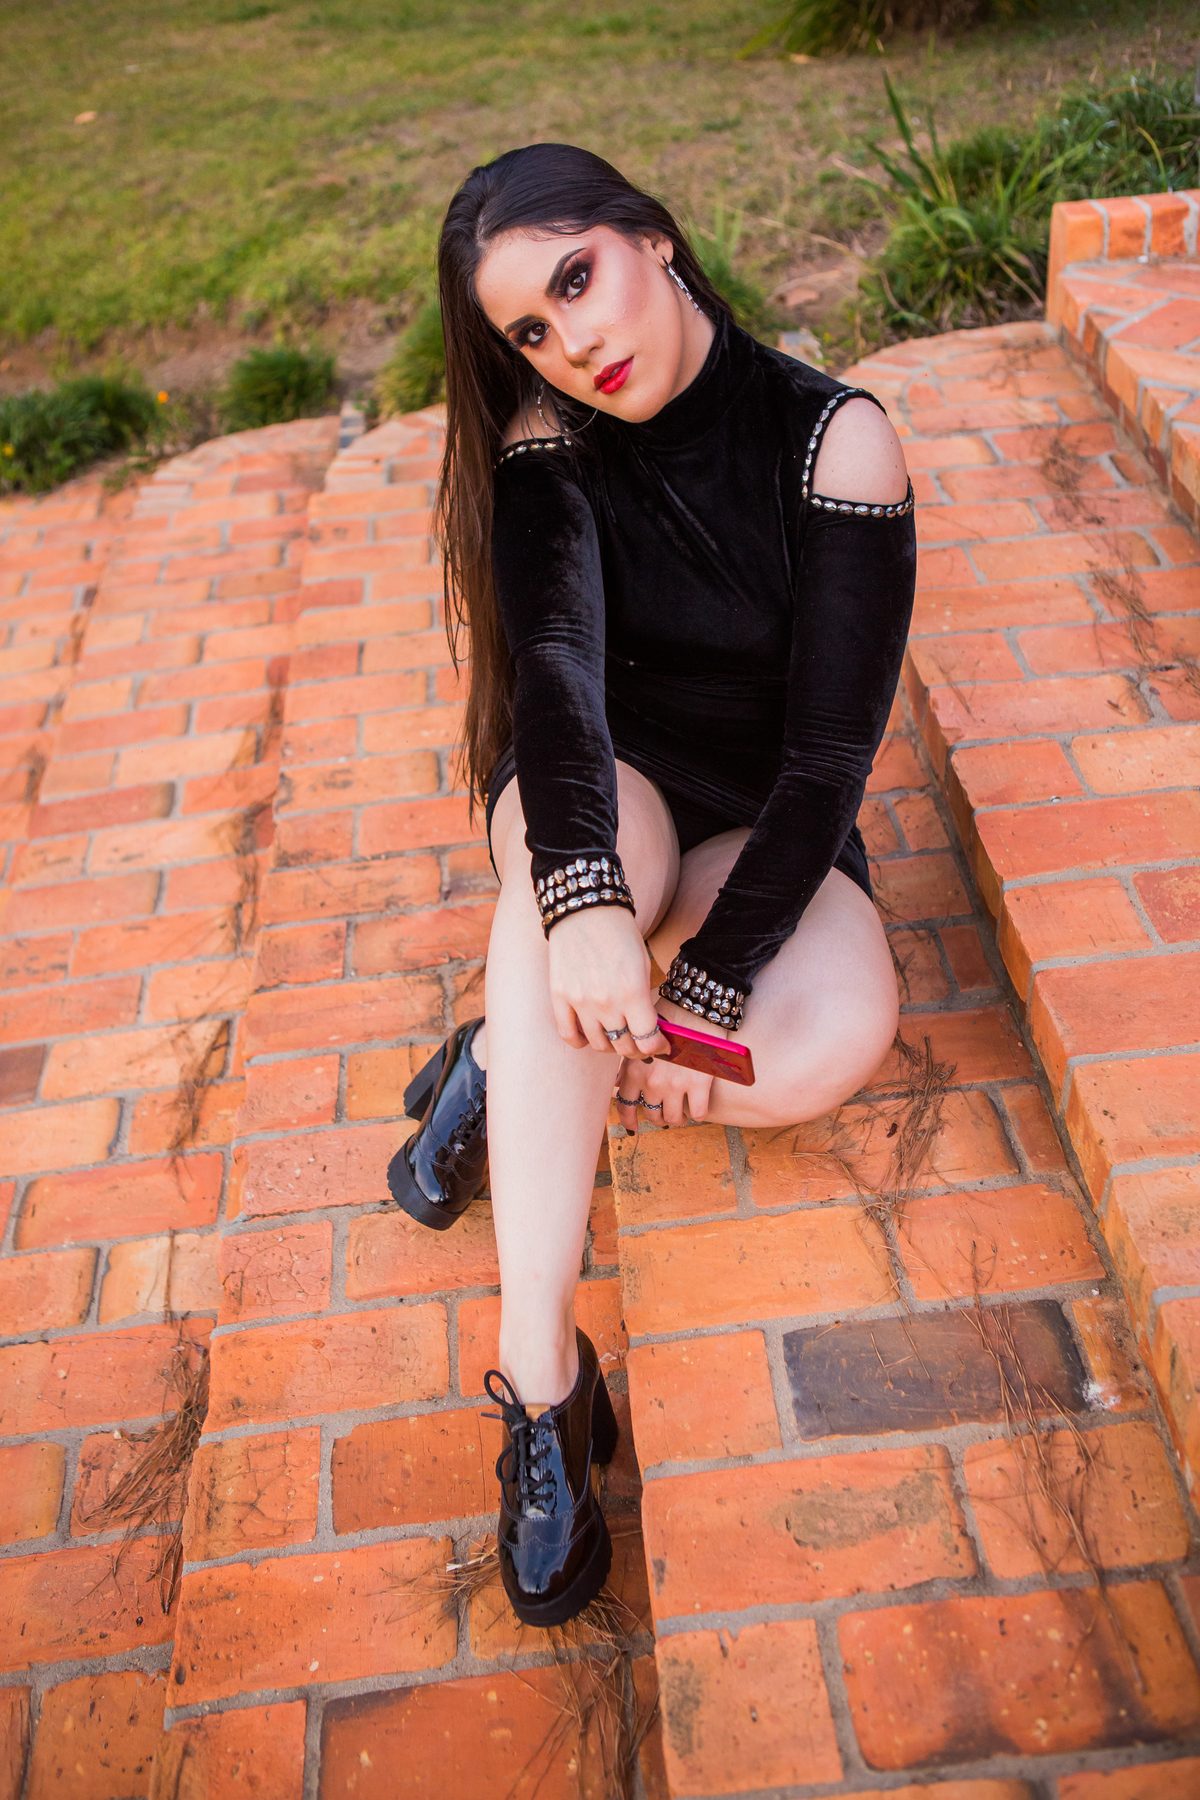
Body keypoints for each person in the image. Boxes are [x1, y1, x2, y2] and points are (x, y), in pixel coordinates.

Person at [386, 143, 916, 1628]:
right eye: (530, 329)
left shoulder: (835, 441)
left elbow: (828, 760)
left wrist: (713, 984)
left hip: (763, 813)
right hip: (598, 782)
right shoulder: (550, 438)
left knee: (827, 1043)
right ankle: (544, 1380)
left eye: (578, 279)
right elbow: (556, 680)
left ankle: (510, 1053)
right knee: (567, 902)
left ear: (655, 239)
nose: (573, 344)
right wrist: (585, 899)